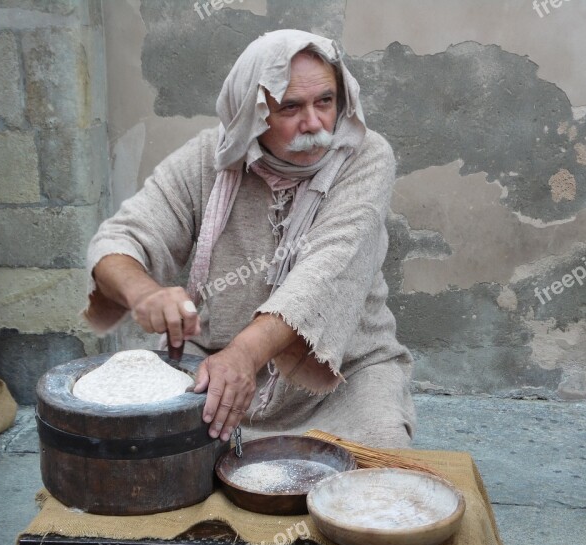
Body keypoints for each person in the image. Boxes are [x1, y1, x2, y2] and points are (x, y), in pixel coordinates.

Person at [83, 29, 415, 448]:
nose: (314, 123)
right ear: (253, 113)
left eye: (325, 102)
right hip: (215, 368)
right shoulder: (211, 159)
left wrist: (245, 353)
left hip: (344, 375)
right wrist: (143, 292)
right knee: (159, 476)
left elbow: (323, 275)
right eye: (291, 106)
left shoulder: (367, 156)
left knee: (375, 477)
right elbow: (120, 238)